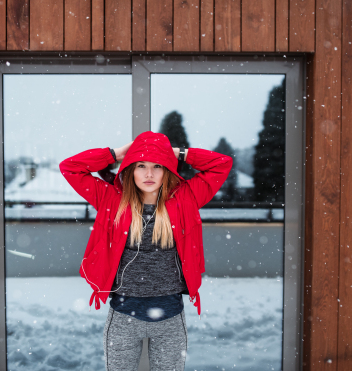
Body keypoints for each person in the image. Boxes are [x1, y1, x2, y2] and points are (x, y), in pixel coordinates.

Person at [59, 131, 233, 370]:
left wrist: (176, 154)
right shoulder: (111, 199)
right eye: (141, 165)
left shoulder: (186, 198)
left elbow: (222, 164)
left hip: (170, 318)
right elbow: (70, 168)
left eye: (158, 166)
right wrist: (117, 153)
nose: (149, 174)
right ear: (130, 168)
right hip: (123, 316)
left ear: (167, 170)